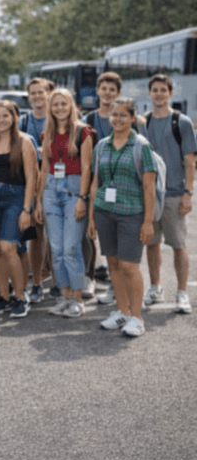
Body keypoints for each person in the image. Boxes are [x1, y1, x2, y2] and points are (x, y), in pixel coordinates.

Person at [88, 97, 156, 336]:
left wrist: (148, 222)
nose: (117, 119)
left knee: (129, 265)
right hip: (104, 212)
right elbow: (96, 183)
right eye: (114, 115)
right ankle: (122, 311)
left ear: (133, 118)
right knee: (114, 264)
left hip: (131, 213)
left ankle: (137, 317)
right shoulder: (101, 146)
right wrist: (91, 217)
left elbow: (149, 187)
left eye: (123, 115)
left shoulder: (141, 146)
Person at [35, 89, 93, 318]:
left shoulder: (83, 132)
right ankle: (64, 296)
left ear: (71, 106)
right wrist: (38, 200)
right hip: (51, 191)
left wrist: (82, 198)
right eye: (55, 104)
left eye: (63, 104)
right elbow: (45, 169)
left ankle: (77, 299)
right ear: (50, 108)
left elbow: (86, 168)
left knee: (71, 247)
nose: (59, 108)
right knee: (56, 249)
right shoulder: (47, 134)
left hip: (73, 191)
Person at [0, 100, 37, 318]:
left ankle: (20, 296)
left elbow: (32, 178)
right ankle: (3, 296)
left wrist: (27, 209)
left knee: (9, 246)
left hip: (16, 197)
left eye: (5, 116)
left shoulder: (24, 142)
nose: (1, 120)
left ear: (14, 118)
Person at [141, 74, 195, 314]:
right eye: (155, 90)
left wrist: (188, 193)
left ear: (171, 93)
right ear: (149, 93)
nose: (159, 94)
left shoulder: (182, 122)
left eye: (163, 90)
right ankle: (155, 287)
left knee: (178, 245)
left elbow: (190, 161)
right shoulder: (144, 122)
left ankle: (182, 293)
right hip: (150, 194)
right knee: (152, 243)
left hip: (174, 193)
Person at [85, 72, 124, 305]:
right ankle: (90, 275)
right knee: (91, 232)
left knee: (117, 235)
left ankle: (115, 284)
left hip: (121, 184)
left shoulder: (126, 117)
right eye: (104, 88)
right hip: (95, 182)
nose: (107, 93)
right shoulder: (88, 120)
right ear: (97, 90)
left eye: (112, 89)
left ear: (118, 93)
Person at [19, 77, 54, 303]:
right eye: (33, 93)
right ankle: (38, 283)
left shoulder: (59, 117)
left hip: (58, 181)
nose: (37, 96)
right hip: (32, 183)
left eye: (41, 92)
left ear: (49, 93)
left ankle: (59, 283)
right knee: (37, 234)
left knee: (57, 235)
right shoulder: (23, 122)